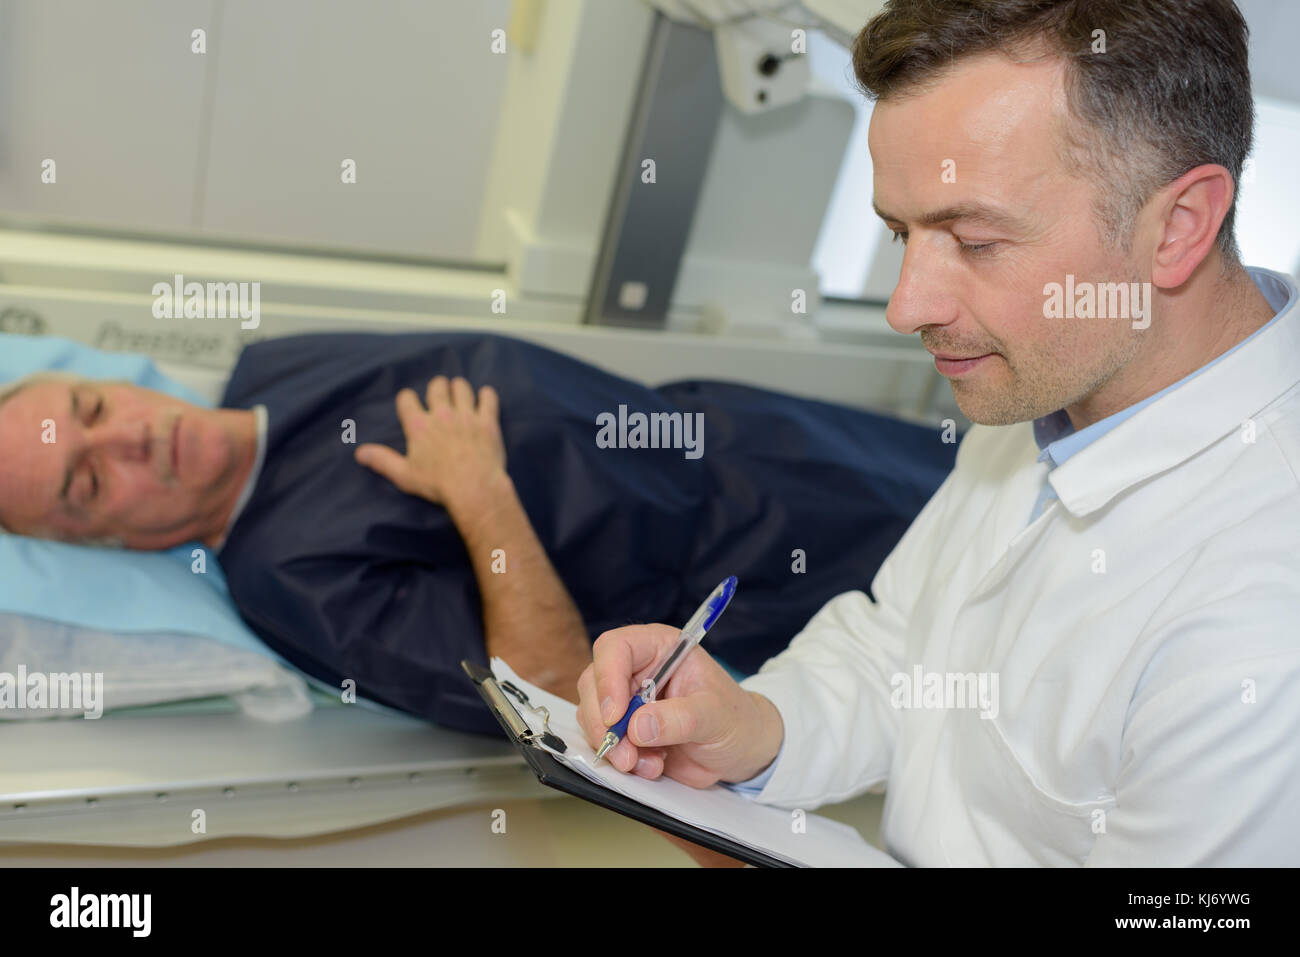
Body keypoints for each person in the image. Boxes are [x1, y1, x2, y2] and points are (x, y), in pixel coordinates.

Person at [577, 0, 1300, 866]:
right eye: (897, 234)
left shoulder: (1264, 622)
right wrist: (750, 725)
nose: (906, 306)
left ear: (1178, 226)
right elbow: (903, 651)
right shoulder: (1055, 373)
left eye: (975, 239)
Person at [0, 332, 955, 734]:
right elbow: (550, 697)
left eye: (90, 406)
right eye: (89, 480)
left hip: (769, 433)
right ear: (111, 543)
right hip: (780, 574)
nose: (129, 435)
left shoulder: (272, 369)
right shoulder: (290, 577)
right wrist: (478, 492)